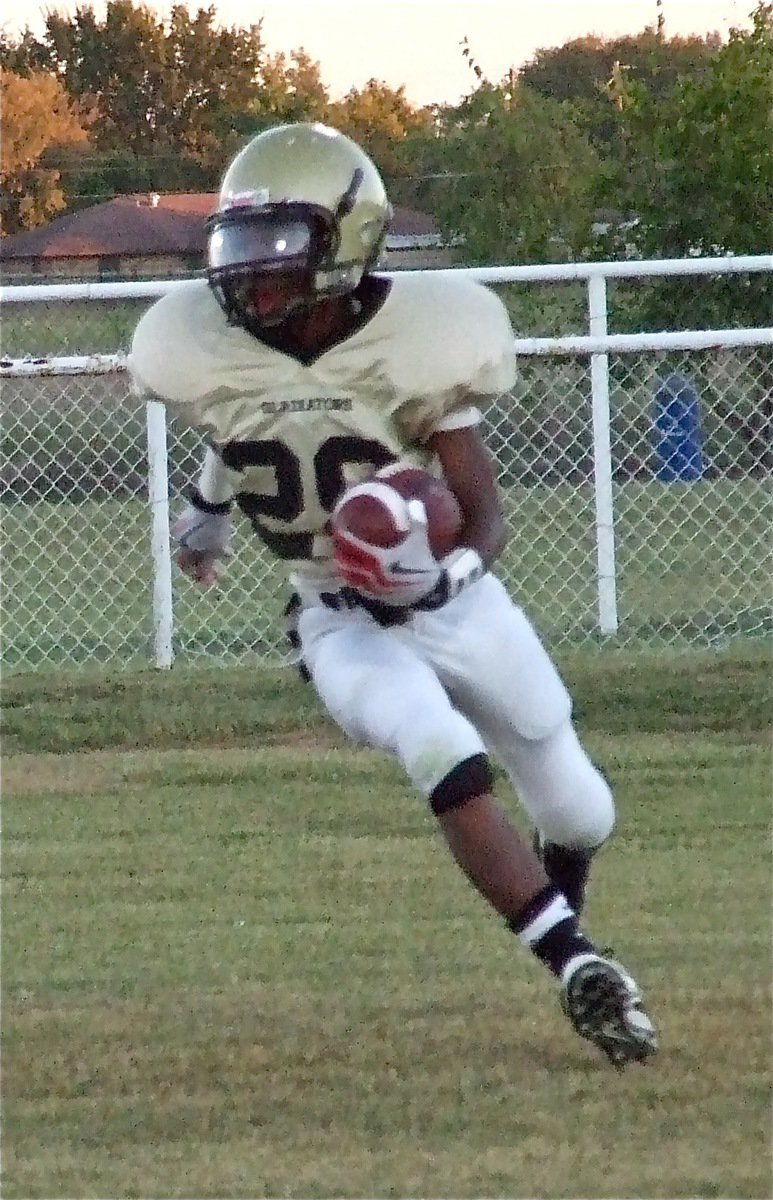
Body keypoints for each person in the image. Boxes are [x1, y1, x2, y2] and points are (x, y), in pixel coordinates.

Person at [129, 121, 657, 1069]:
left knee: (580, 813)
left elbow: (483, 510)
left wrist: (443, 572)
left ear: (348, 242)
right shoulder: (216, 349)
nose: (253, 280)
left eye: (278, 253)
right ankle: (573, 962)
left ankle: (562, 932)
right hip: (334, 614)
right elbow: (243, 423)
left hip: (450, 600)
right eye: (239, 252)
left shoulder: (418, 340)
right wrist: (205, 512)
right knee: (435, 744)